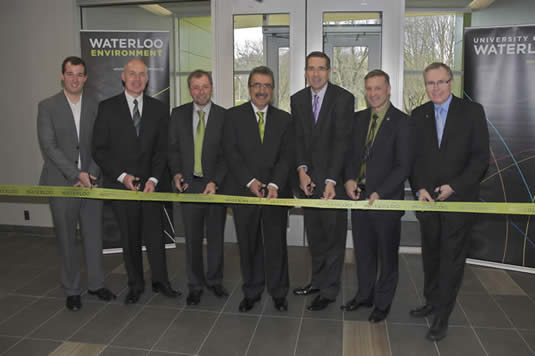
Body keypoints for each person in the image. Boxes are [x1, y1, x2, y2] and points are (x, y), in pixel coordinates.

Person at [410, 62, 489, 341]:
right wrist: (419, 188)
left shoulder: (472, 112)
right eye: (430, 83)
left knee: (451, 261)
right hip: (428, 203)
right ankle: (431, 302)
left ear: (451, 82)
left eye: (441, 82)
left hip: (459, 202)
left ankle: (442, 316)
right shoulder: (418, 115)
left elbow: (480, 159)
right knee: (431, 257)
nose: (436, 88)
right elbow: (414, 160)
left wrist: (454, 187)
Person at [92, 58, 179, 304]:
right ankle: (135, 285)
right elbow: (99, 149)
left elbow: (163, 150)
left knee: (155, 237)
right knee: (129, 239)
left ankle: (161, 282)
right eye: (132, 73)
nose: (137, 78)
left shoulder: (159, 109)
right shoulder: (107, 108)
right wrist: (123, 177)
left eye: (142, 74)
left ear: (147, 79)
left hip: (152, 187)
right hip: (122, 187)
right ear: (123, 77)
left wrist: (153, 178)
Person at [37, 56, 115, 311]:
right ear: (62, 76)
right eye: (70, 74)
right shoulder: (47, 106)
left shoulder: (97, 106)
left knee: (93, 236)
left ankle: (96, 284)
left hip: (92, 181)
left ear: (86, 78)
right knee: (67, 239)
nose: (75, 79)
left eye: (79, 74)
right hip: (62, 182)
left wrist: (89, 174)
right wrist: (76, 174)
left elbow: (101, 145)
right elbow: (49, 146)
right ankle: (72, 289)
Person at [341, 69, 411, 322]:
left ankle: (382, 303)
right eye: (369, 89)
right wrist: (349, 179)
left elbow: (404, 165)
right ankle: (364, 295)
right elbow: (350, 156)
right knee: (363, 252)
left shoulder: (402, 122)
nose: (373, 94)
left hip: (386, 201)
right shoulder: (358, 119)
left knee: (387, 256)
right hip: (359, 198)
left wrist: (381, 191)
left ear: (388, 89)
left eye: (378, 88)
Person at [223, 66, 293, 312]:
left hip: (276, 193)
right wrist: (250, 182)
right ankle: (251, 292)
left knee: (276, 244)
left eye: (267, 86)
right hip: (245, 192)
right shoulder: (232, 117)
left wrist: (274, 184)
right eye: (257, 85)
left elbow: (287, 157)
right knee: (248, 244)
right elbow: (231, 154)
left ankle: (279, 292)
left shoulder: (285, 119)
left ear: (272, 90)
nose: (262, 90)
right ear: (249, 87)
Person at [292, 51, 354, 311]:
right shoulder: (297, 99)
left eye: (321, 68)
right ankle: (317, 281)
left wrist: (331, 179)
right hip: (308, 183)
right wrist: (301, 170)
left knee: (333, 239)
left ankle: (329, 290)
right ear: (305, 72)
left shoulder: (343, 98)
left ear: (329, 72)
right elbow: (297, 139)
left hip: (332, 184)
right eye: (311, 68)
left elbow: (342, 142)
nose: (315, 74)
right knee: (315, 237)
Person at [168, 70, 228, 306]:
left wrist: (216, 180)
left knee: (215, 236)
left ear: (211, 87)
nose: (200, 91)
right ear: (189, 89)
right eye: (195, 87)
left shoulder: (224, 116)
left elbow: (227, 155)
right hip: (189, 184)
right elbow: (172, 149)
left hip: (214, 185)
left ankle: (214, 281)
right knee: (192, 238)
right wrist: (176, 173)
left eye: (204, 86)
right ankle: (195, 284)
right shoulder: (178, 114)